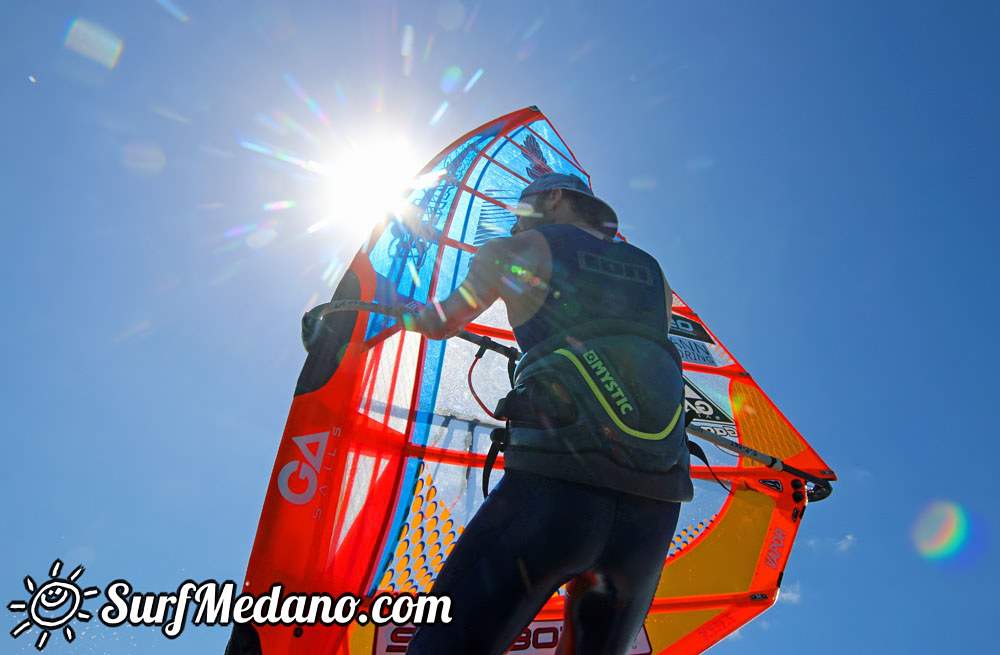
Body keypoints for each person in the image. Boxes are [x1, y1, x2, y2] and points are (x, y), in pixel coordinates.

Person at [404, 173, 692, 655]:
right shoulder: (654, 270)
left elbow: (439, 322)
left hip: (555, 488)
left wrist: (389, 309)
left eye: (520, 211)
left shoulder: (510, 250)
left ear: (553, 198)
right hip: (655, 502)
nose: (515, 225)